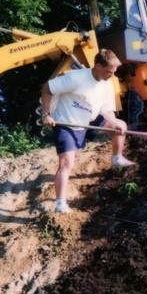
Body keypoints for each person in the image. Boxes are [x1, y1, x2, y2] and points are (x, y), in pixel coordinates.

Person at [40, 49, 134, 214]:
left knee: (121, 125)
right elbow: (47, 88)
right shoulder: (76, 78)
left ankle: (117, 158)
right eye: (108, 71)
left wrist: (114, 124)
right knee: (67, 163)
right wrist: (46, 114)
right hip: (66, 123)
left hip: (87, 122)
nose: (111, 75)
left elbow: (107, 111)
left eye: (113, 72)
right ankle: (60, 204)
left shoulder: (107, 84)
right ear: (98, 66)